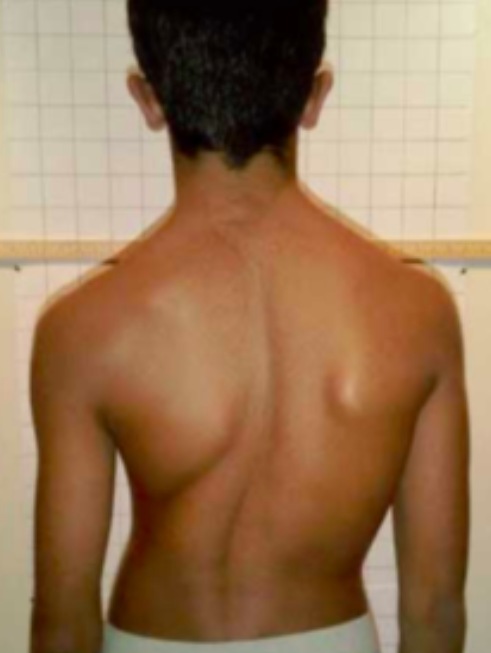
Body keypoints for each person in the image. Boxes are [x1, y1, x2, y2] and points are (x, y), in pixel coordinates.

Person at [29, 1, 470, 653]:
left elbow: (64, 619)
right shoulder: (419, 312)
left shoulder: (83, 329)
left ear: (147, 99)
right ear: (314, 96)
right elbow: (434, 608)